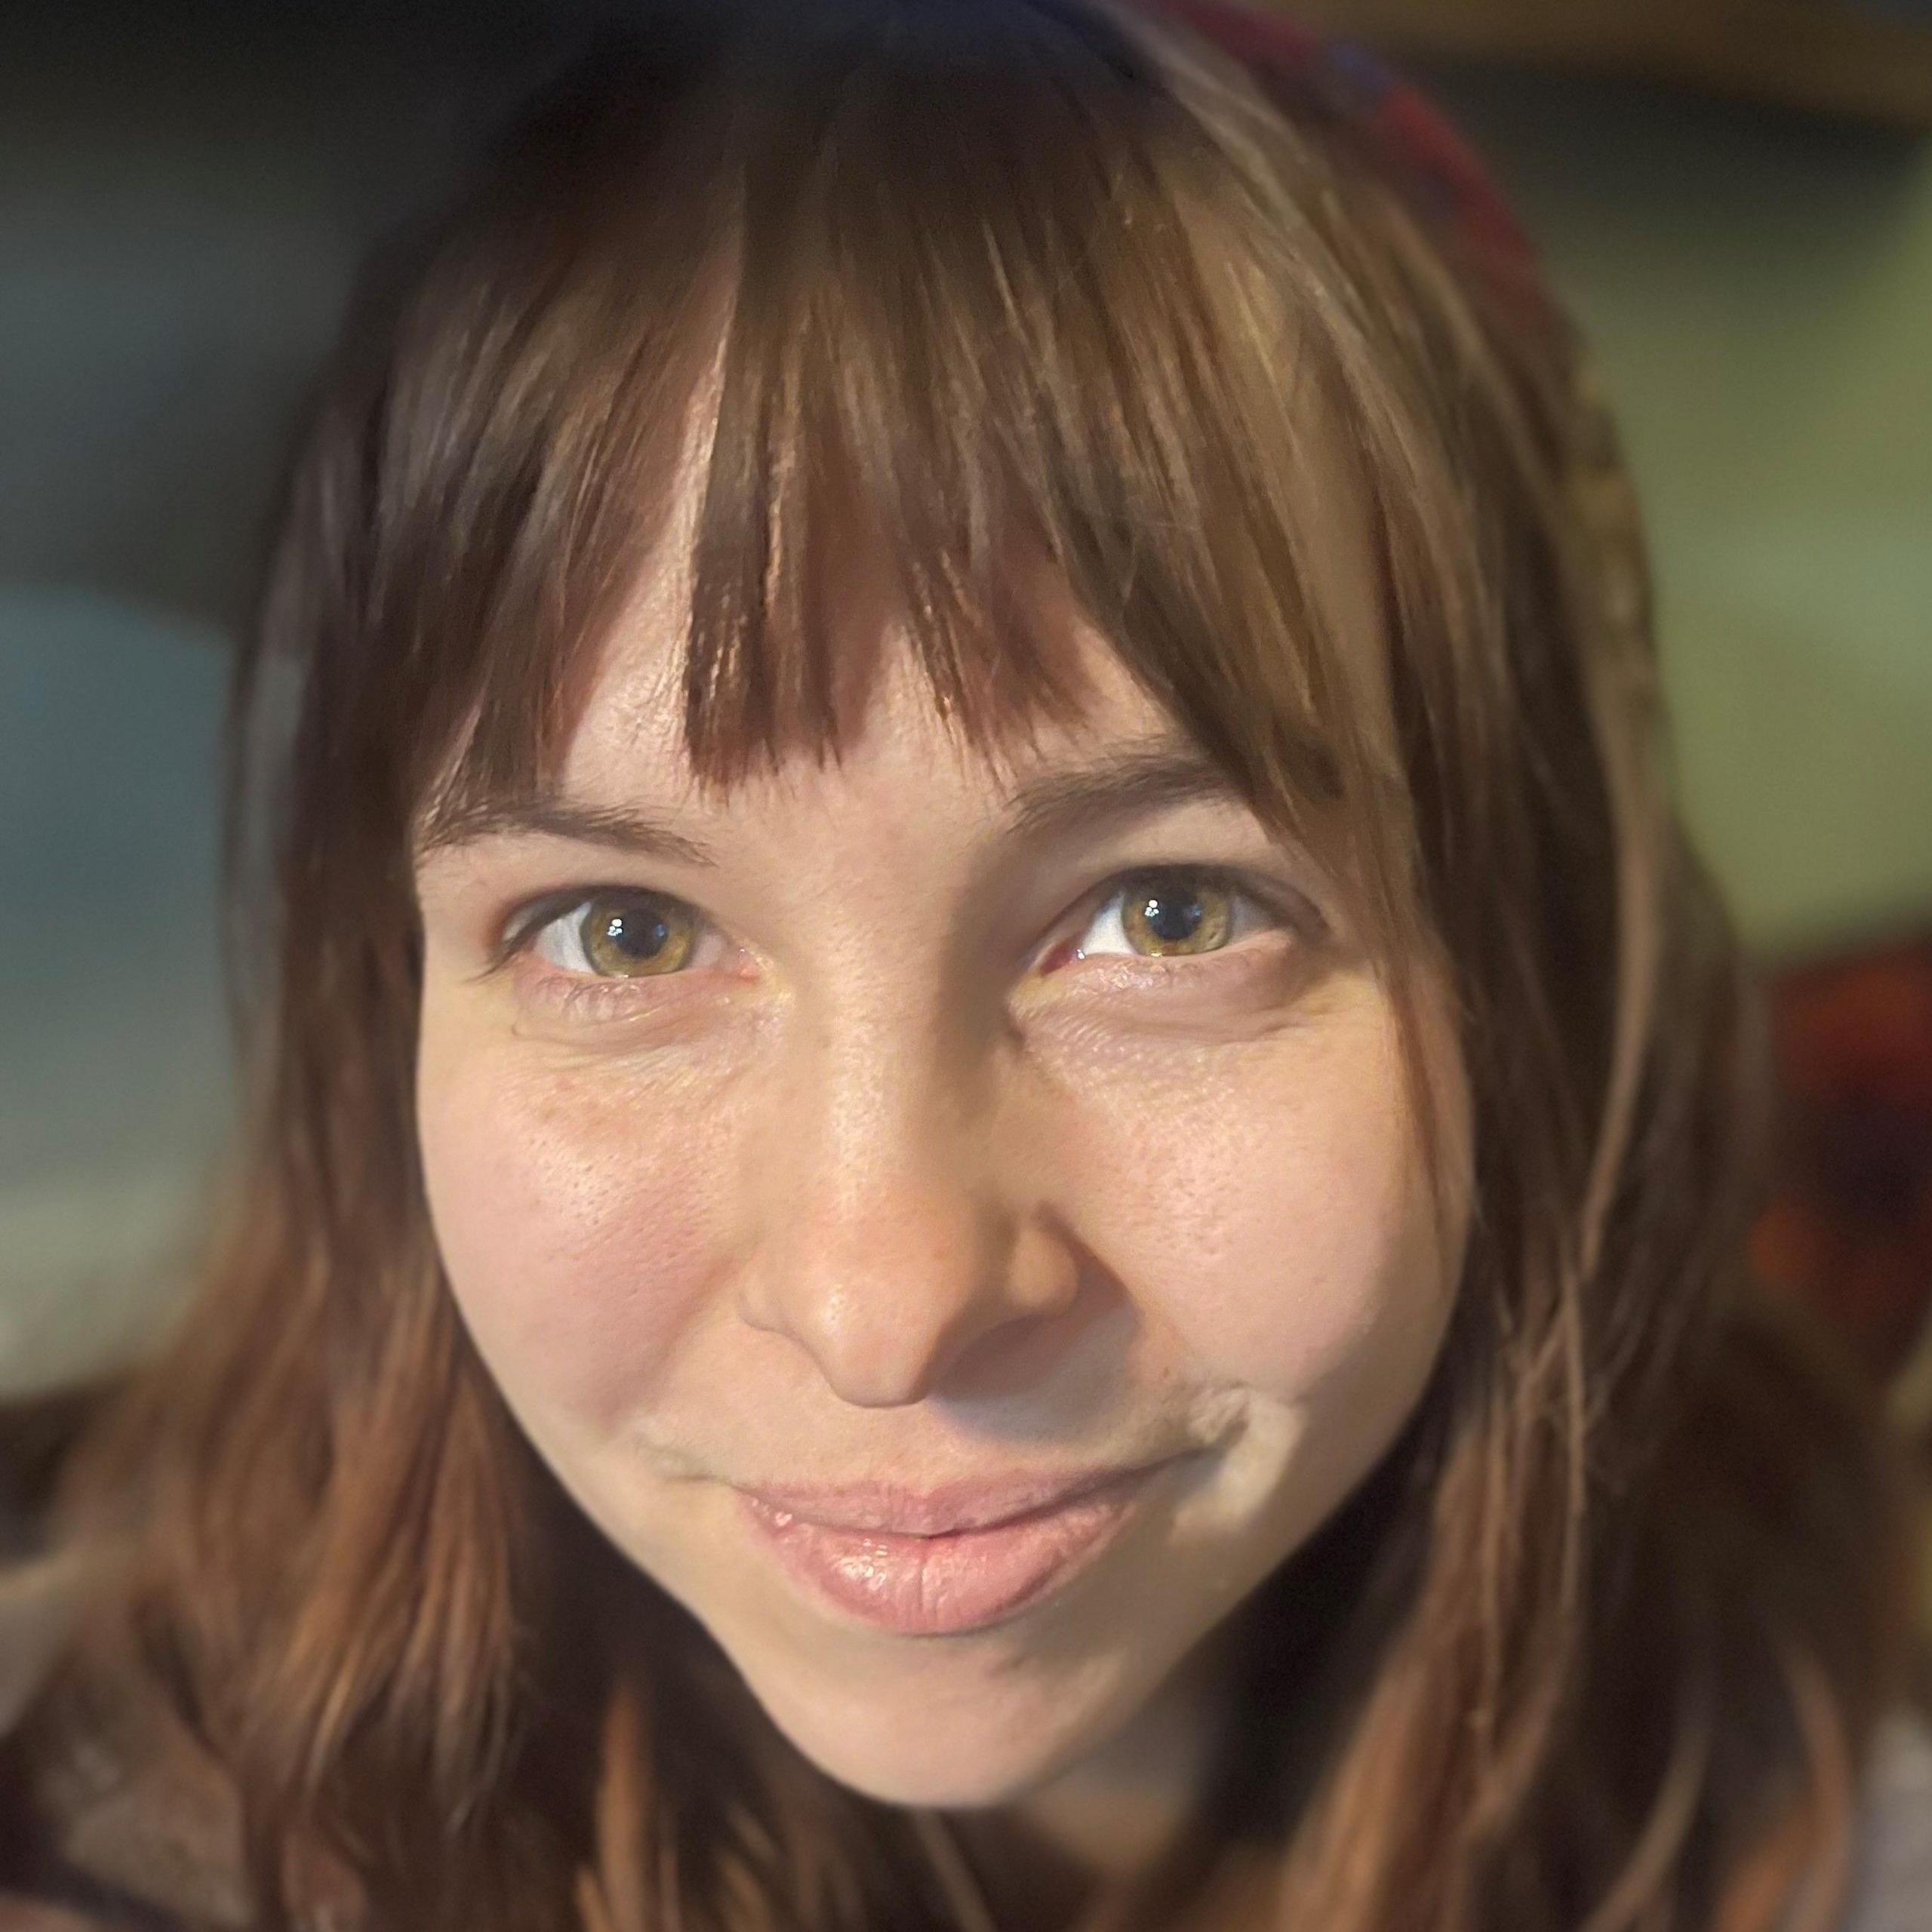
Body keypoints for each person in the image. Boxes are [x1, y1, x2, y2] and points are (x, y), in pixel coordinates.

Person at [0, 1, 1924, 1926]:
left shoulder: (1821, 1807)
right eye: (625, 929)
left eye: (1171, 914)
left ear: (1544, 966)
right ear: (391, 1004)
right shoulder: (121, 1833)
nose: (882, 1300)